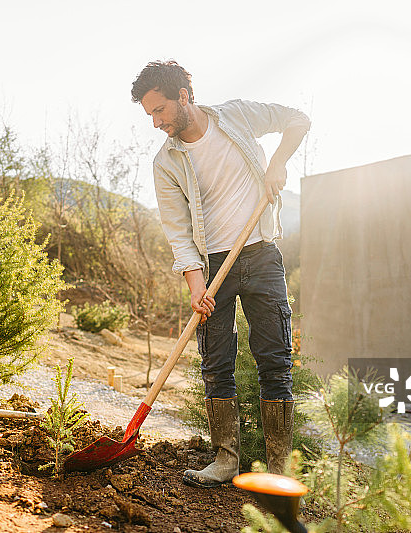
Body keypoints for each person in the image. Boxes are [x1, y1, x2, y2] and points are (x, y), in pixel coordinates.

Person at [130, 60, 310, 487]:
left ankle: (278, 470)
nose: (156, 122)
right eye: (150, 114)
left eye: (159, 110)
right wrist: (197, 286)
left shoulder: (237, 115)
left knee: (275, 359)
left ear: (183, 96)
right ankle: (226, 460)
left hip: (261, 252)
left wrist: (277, 163)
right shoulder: (166, 162)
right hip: (213, 268)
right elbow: (178, 232)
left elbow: (298, 120)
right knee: (216, 363)